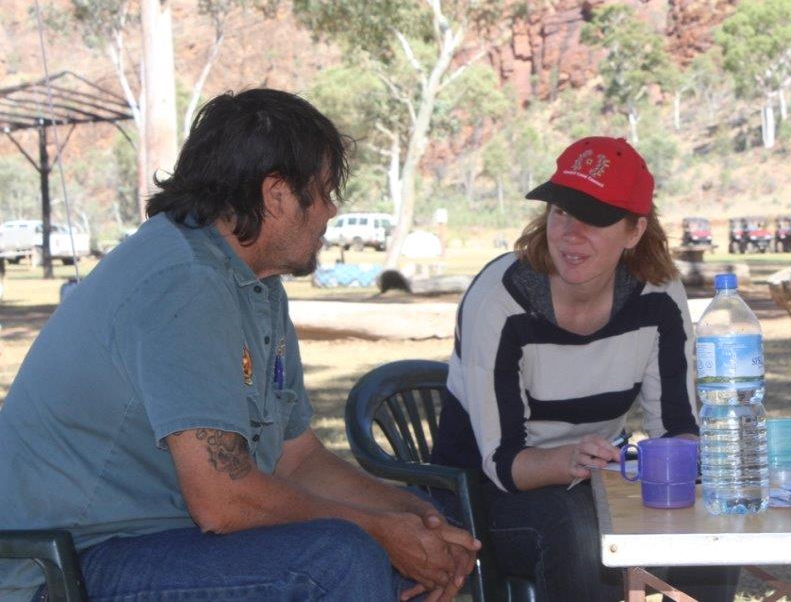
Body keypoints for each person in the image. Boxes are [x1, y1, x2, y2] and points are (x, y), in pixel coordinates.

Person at [0, 88, 478, 601]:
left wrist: (412, 516)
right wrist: (378, 530)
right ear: (276, 194)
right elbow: (223, 501)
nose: (332, 211)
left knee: (420, 527)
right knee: (337, 559)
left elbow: (296, 458)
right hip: (62, 565)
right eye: (322, 191)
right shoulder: (183, 281)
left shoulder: (255, 285)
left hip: (151, 543)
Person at [431, 136, 737, 601]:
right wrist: (568, 460)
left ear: (634, 231)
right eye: (560, 211)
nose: (570, 234)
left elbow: (677, 428)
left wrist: (697, 467)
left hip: (593, 486)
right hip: (484, 498)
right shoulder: (500, 300)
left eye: (593, 218)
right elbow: (501, 464)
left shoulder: (658, 294)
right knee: (578, 530)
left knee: (705, 515)